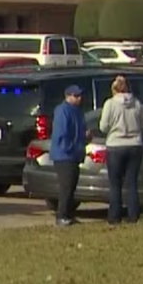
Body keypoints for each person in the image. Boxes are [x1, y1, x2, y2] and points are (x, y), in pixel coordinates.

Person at [98, 75, 143, 225]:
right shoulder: (137, 103)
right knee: (132, 182)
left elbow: (103, 127)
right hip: (135, 144)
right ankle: (133, 215)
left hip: (115, 144)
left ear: (113, 89)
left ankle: (115, 216)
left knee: (115, 183)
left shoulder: (110, 104)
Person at [49, 85, 88, 227]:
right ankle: (62, 216)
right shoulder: (62, 111)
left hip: (75, 154)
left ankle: (69, 214)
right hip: (64, 155)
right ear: (68, 96)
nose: (79, 98)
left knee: (72, 186)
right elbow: (61, 134)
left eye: (80, 95)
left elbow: (79, 131)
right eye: (76, 96)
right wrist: (71, 147)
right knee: (66, 186)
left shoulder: (77, 111)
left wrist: (84, 138)